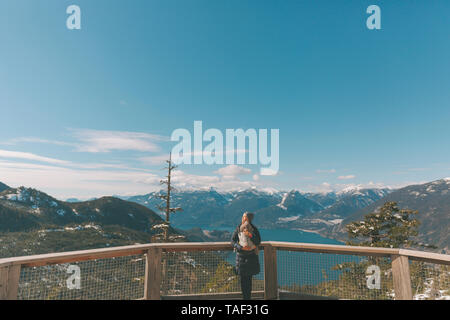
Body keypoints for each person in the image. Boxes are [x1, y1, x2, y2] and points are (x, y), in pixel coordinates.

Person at [231, 212, 261, 300]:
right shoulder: (238, 228)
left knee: (249, 281)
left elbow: (258, 241)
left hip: (251, 258)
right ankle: (245, 298)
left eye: (246, 218)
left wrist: (250, 235)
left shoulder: (254, 229)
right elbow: (232, 241)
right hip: (241, 258)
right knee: (243, 281)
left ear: (249, 219)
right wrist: (240, 247)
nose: (244, 219)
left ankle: (248, 298)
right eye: (243, 217)